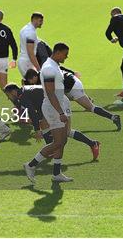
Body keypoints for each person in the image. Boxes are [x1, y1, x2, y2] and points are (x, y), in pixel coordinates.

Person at [4, 83, 101, 160]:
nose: (8, 98)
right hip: (53, 104)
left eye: (8, 95)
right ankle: (52, 150)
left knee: (66, 132)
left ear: (13, 92)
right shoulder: (25, 91)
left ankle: (93, 144)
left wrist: (37, 130)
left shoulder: (23, 97)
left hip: (60, 103)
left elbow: (33, 112)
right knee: (44, 124)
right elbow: (38, 108)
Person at [23, 43, 74, 183]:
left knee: (63, 141)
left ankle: (56, 174)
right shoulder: (49, 68)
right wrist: (60, 112)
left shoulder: (54, 65)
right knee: (58, 142)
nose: (66, 57)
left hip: (58, 105)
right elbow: (50, 93)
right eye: (65, 54)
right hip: (53, 108)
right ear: (57, 53)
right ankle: (30, 165)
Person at [23, 68, 121, 131]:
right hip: (72, 83)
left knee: (90, 108)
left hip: (72, 87)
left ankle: (113, 117)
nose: (31, 83)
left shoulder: (43, 80)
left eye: (31, 81)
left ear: (34, 77)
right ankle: (114, 117)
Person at [0, 10, 18, 90]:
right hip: (4, 60)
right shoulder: (7, 29)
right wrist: (14, 59)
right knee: (5, 87)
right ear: (2, 18)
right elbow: (14, 45)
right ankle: (15, 101)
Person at [18, 12, 44, 77]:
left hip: (23, 60)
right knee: (31, 85)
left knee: (27, 83)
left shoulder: (24, 28)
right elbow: (31, 53)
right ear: (34, 20)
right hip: (27, 63)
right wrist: (39, 69)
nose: (42, 23)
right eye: (40, 21)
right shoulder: (31, 33)